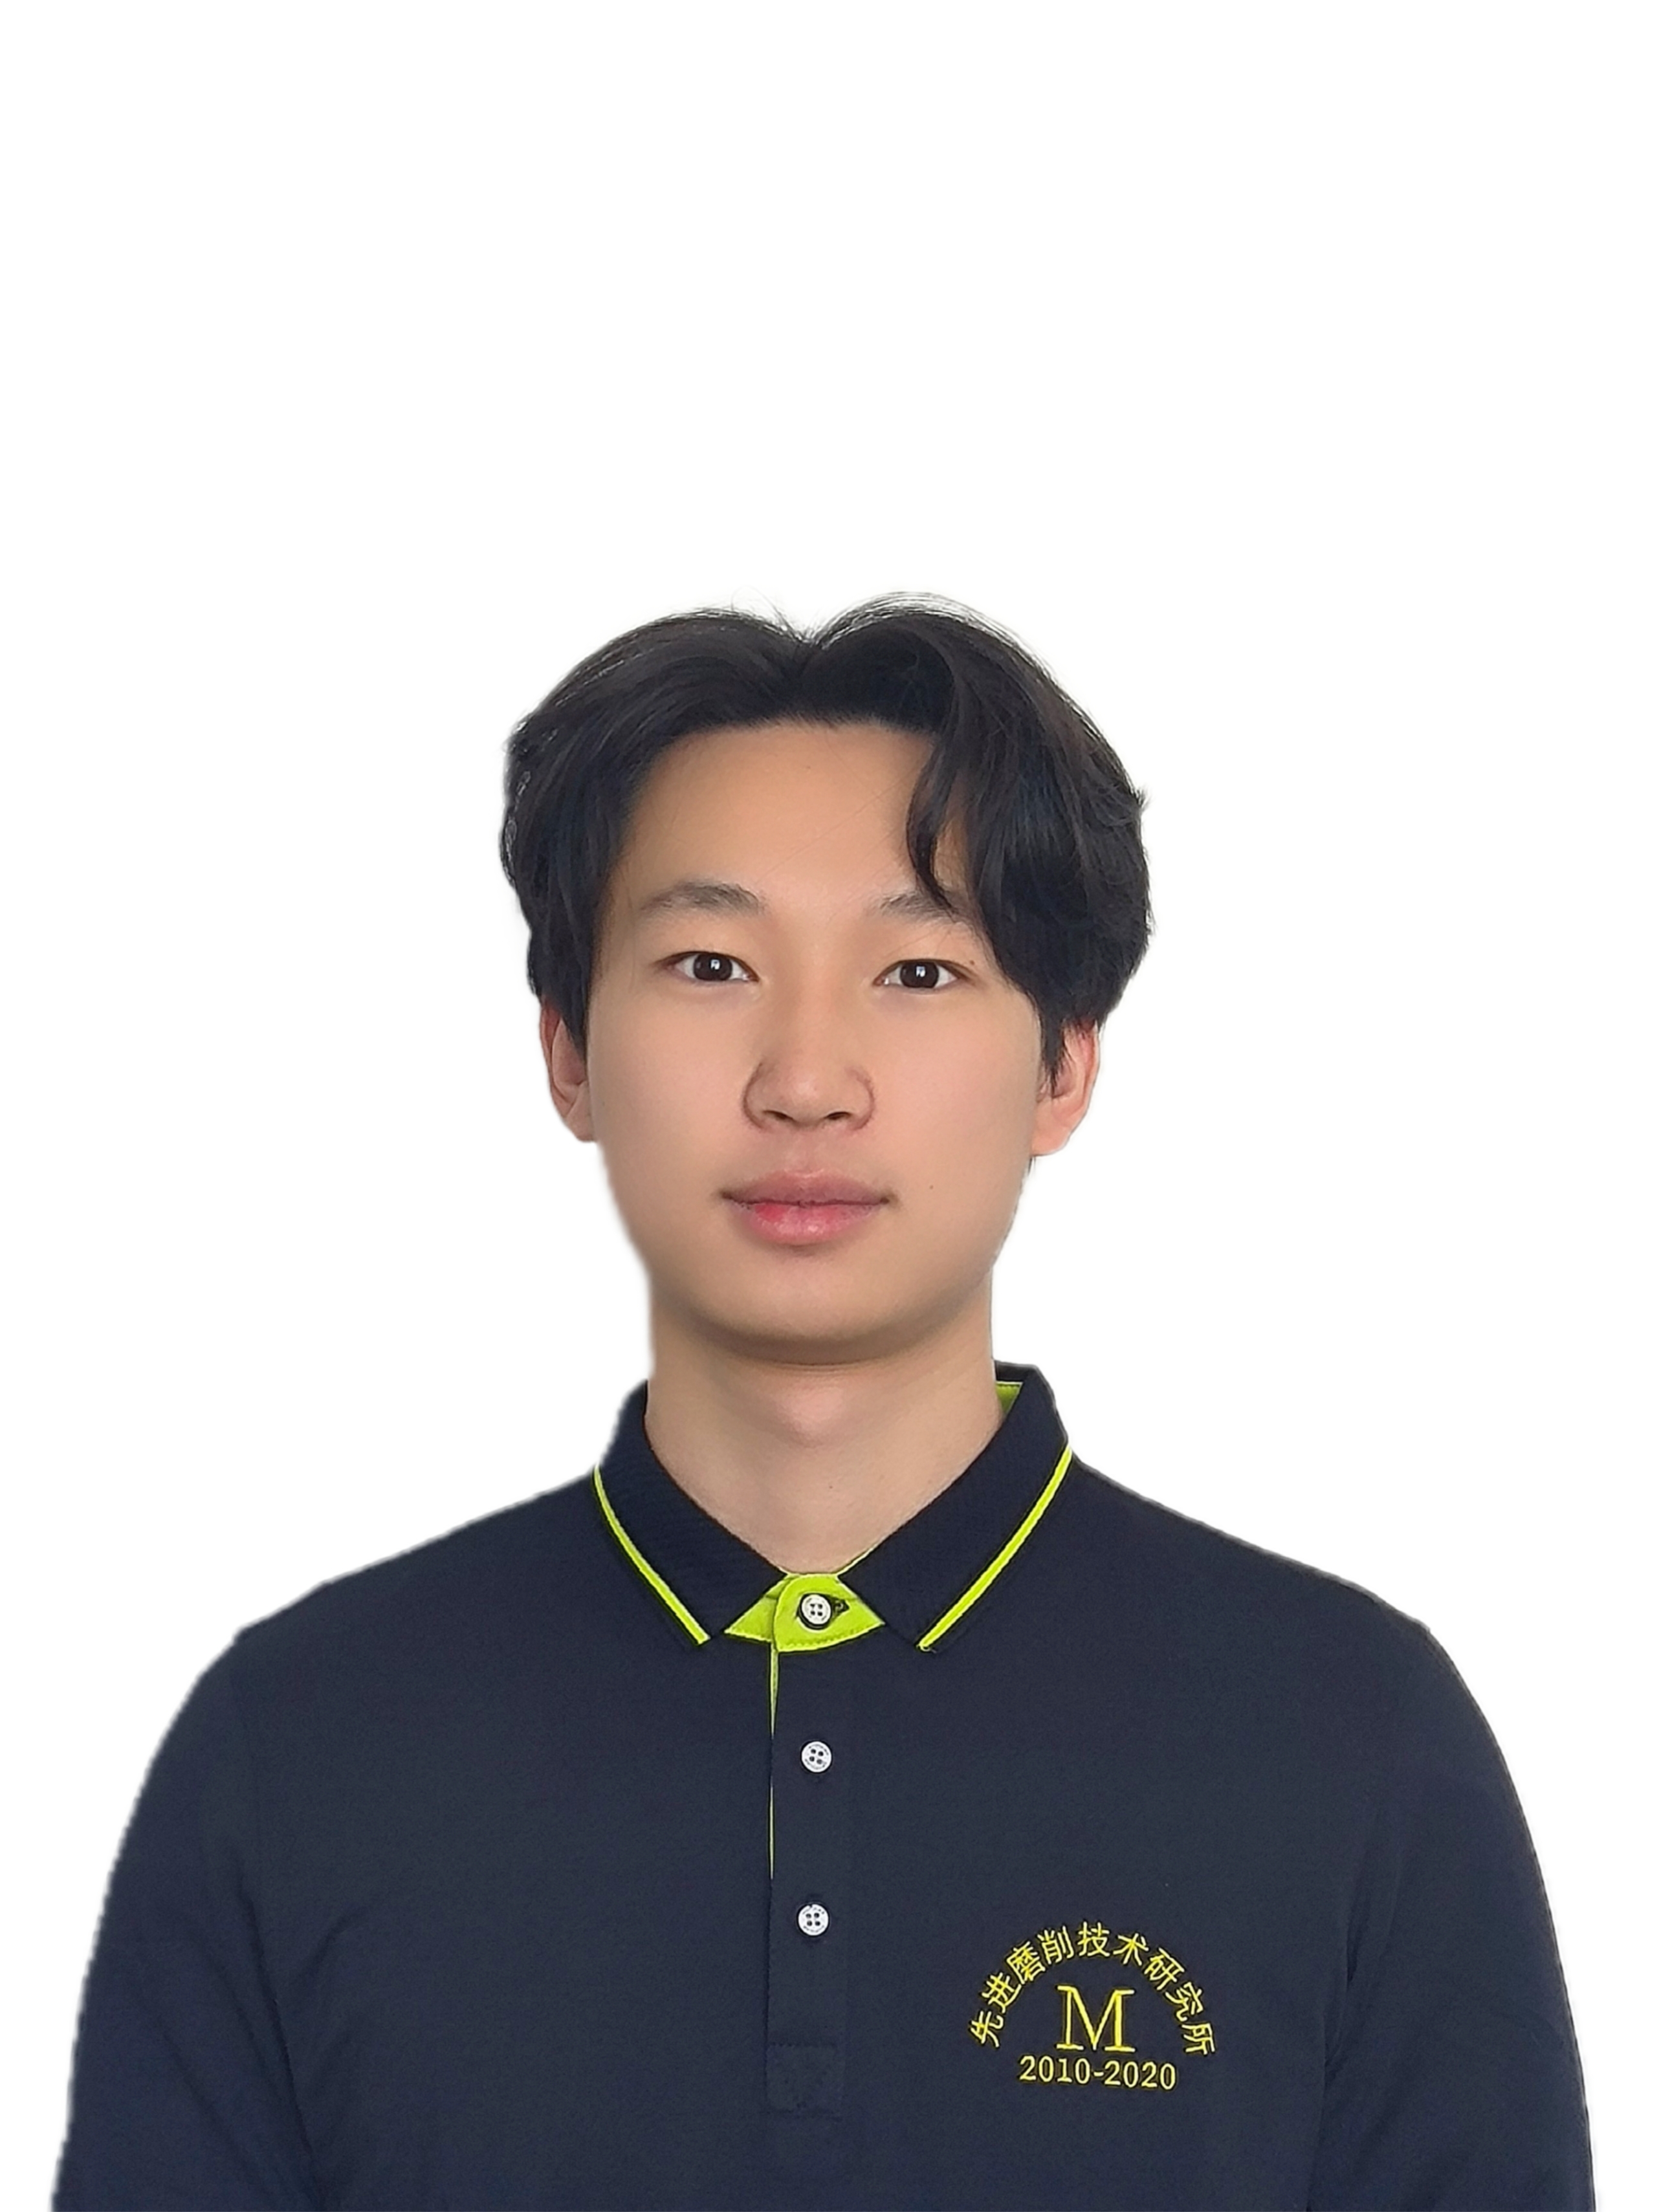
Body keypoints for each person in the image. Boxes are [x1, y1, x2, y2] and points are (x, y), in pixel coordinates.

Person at [54, 599, 1592, 2210]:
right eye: (709, 965)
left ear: (1063, 1066)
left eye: (918, 969)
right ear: (568, 1052)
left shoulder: (1351, 1740)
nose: (803, 1079)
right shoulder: (299, 1746)